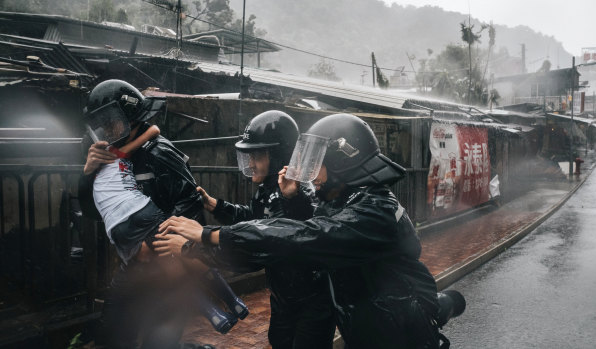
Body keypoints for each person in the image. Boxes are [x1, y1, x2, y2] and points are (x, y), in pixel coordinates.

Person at [159, 113, 454, 348]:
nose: (312, 174)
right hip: (368, 327)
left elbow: (301, 238)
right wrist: (294, 198)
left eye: (318, 164)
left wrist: (208, 237)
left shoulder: (373, 210)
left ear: (341, 164)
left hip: (399, 334)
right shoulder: (341, 200)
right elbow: (302, 225)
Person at [78, 79, 246, 348]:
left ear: (130, 118)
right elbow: (91, 210)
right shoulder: (105, 156)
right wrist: (87, 174)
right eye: (103, 123)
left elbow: (190, 204)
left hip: (169, 267)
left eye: (112, 122)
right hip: (133, 267)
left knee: (160, 341)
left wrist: (152, 243)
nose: (108, 129)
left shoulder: (160, 151)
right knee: (111, 336)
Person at [155, 110, 336, 349]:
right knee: (279, 341)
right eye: (248, 157)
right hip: (284, 296)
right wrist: (216, 205)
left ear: (279, 154)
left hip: (313, 301)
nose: (250, 164)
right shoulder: (268, 188)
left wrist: (193, 246)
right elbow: (253, 220)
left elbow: (260, 247)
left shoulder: (299, 190)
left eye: (257, 156)